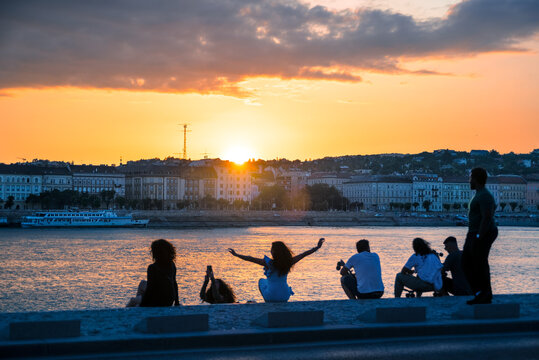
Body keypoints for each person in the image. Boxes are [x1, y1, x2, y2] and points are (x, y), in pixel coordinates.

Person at [228, 238, 325, 303]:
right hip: (284, 295)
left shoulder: (268, 263)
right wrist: (317, 247)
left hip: (271, 296)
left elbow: (251, 259)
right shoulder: (289, 262)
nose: (270, 250)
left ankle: (268, 302)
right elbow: (304, 254)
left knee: (261, 281)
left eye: (271, 249)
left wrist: (237, 255)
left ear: (274, 251)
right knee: (271, 283)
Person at [462, 167, 498, 305]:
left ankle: (484, 294)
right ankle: (480, 293)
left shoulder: (484, 195)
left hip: (481, 233)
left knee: (479, 263)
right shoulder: (480, 194)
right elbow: (491, 210)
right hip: (474, 232)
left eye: (470, 178)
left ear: (476, 179)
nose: (469, 180)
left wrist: (479, 236)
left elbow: (487, 217)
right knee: (467, 263)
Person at [139, 239, 180, 307]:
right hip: (169, 300)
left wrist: (142, 306)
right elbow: (174, 284)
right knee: (143, 283)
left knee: (133, 301)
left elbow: (150, 289)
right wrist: (177, 302)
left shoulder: (152, 268)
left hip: (156, 302)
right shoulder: (172, 265)